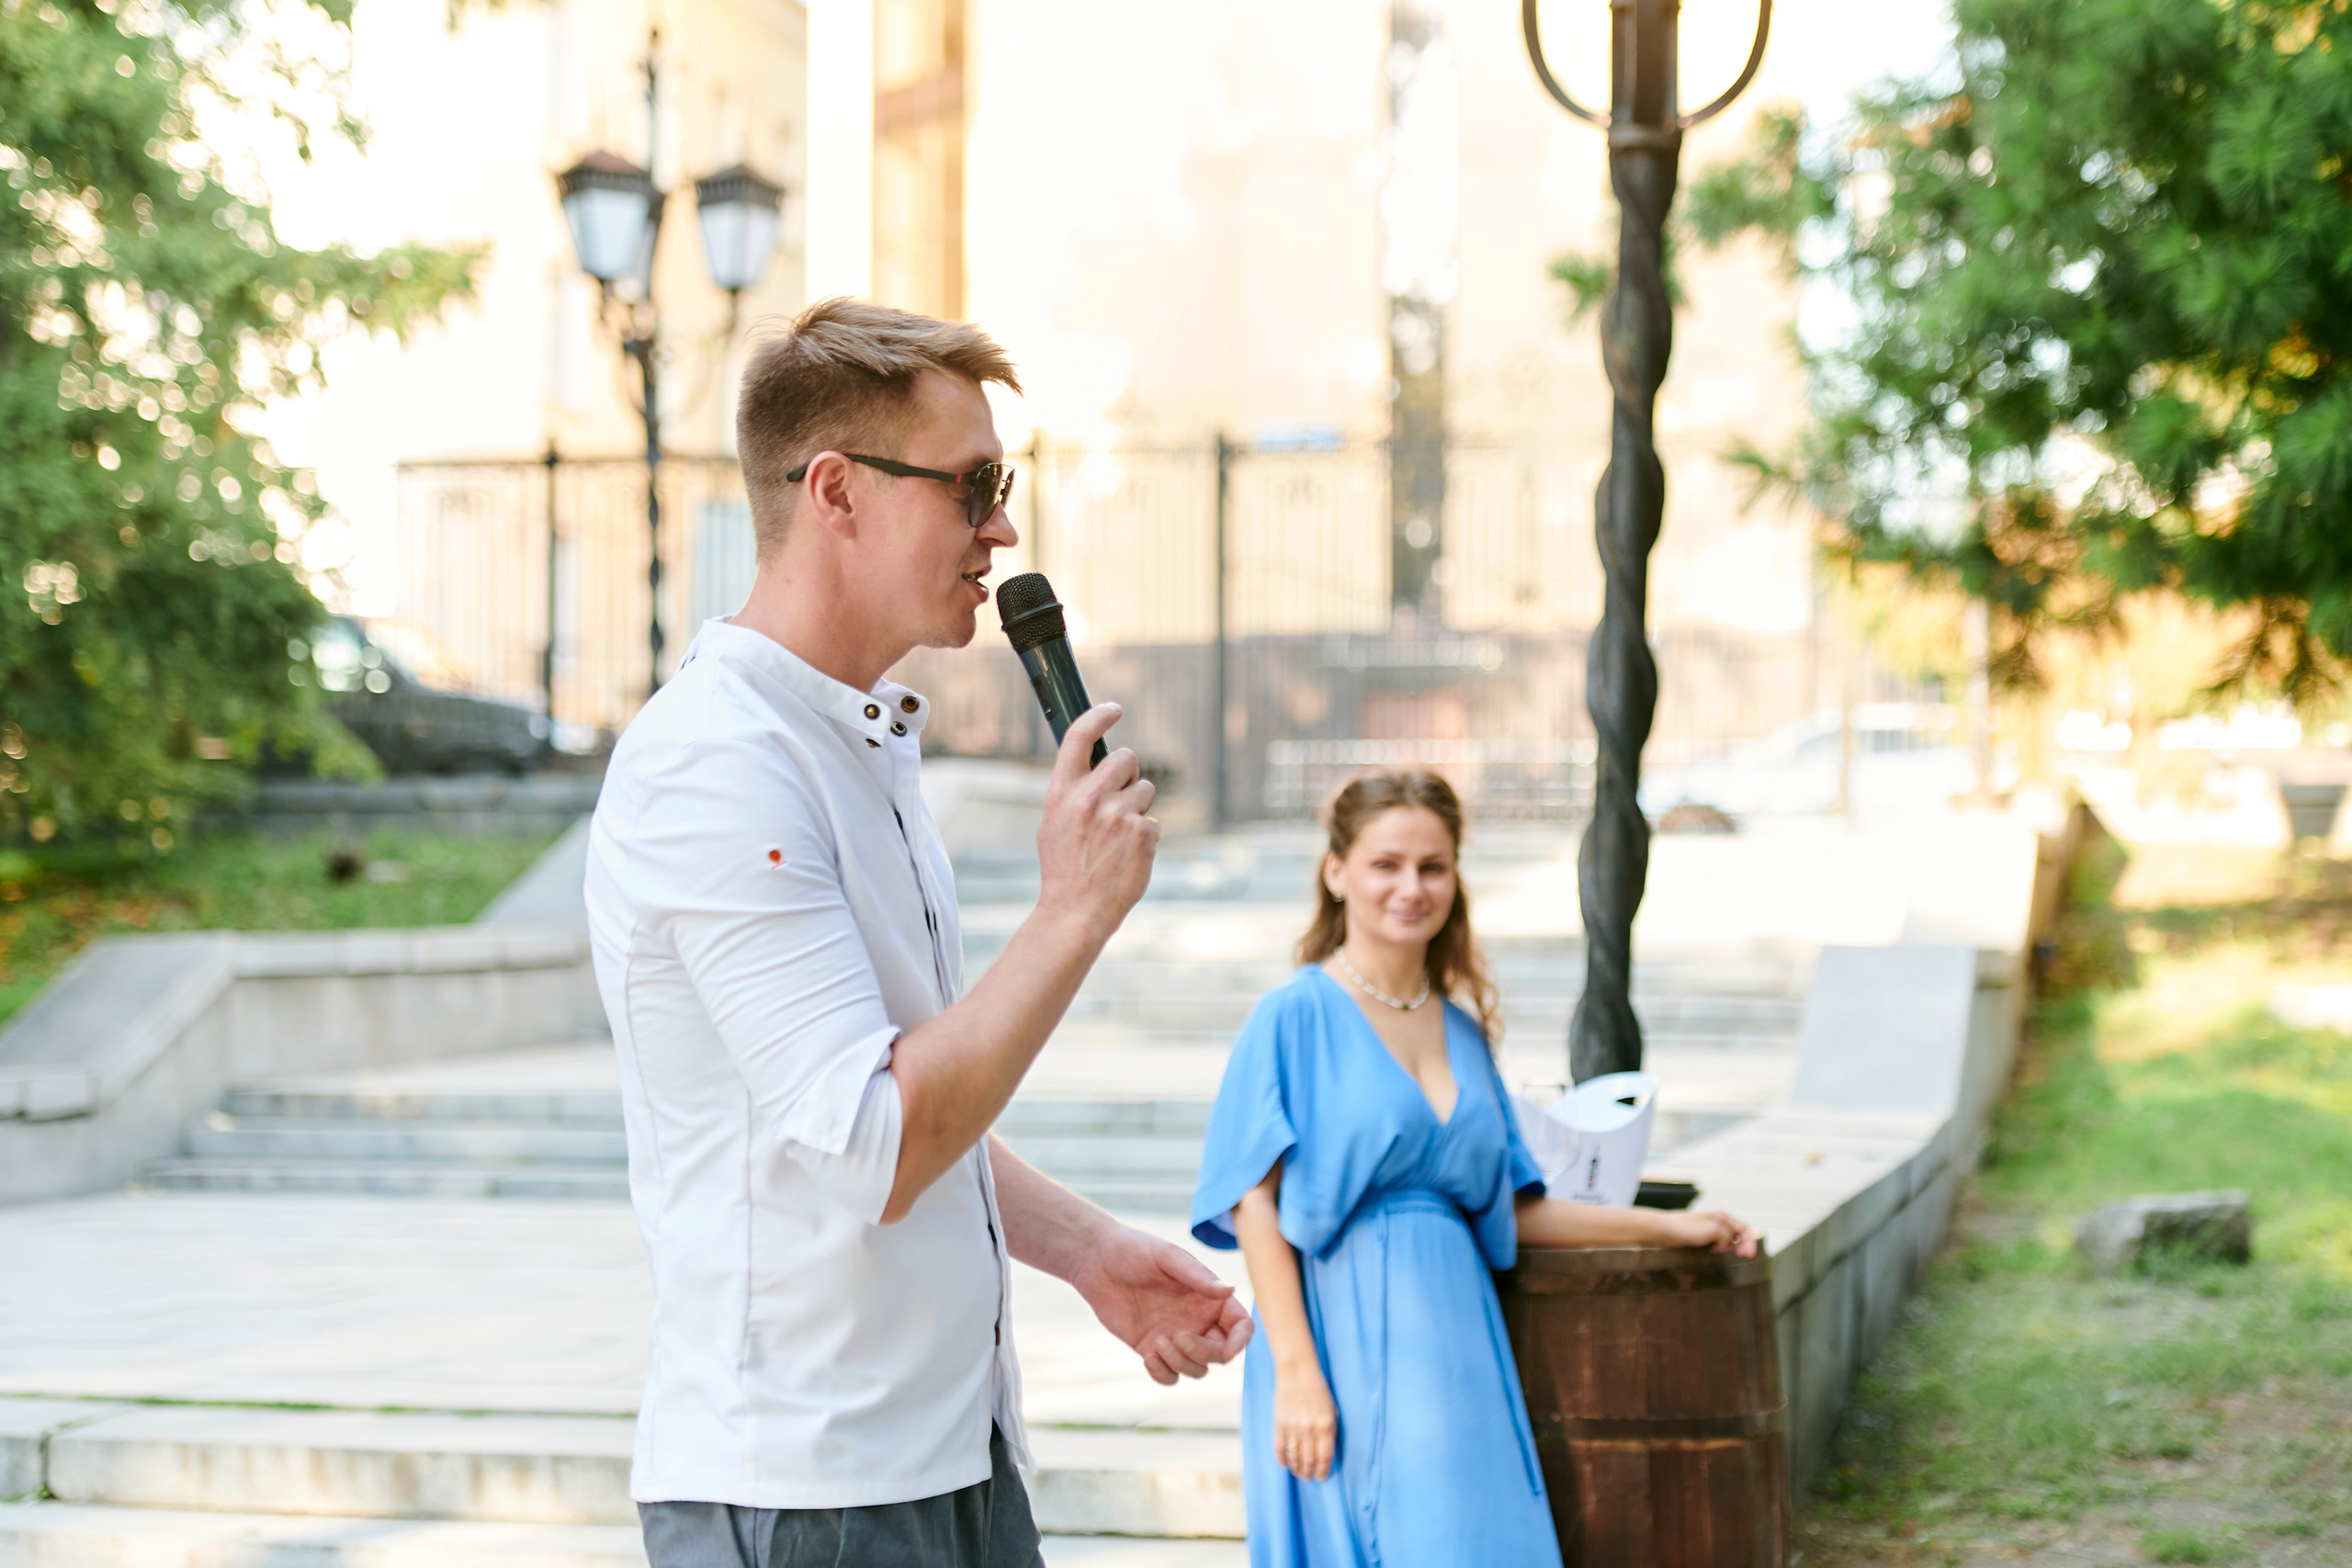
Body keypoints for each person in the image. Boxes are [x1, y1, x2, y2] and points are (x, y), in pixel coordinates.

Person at [586, 298, 1250, 1568]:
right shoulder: (718, 764)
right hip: (809, 1485)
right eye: (973, 484)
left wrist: (1089, 1249)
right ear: (835, 491)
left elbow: (889, 1098)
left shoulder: (857, 737)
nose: (1003, 525)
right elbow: (875, 1138)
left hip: (951, 1448)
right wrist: (1071, 914)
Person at [1190, 770, 1758, 1568]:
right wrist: (1297, 1372)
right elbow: (1253, 1199)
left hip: (1462, 1348)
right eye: (1386, 863)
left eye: (1433, 866)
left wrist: (1671, 1225)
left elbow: (1516, 1209)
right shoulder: (1294, 1014)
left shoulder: (1462, 1032)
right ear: (1337, 870)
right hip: (1336, 1337)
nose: (1411, 886)